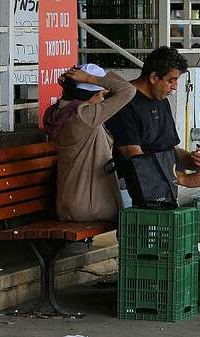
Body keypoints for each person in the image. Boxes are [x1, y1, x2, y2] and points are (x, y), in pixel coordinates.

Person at [105, 47, 200, 207]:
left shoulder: (161, 100)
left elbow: (170, 151)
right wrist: (182, 179)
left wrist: (198, 162)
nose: (175, 87)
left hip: (166, 183)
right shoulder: (125, 102)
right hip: (133, 187)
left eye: (177, 81)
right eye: (171, 80)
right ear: (154, 77)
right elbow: (136, 159)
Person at [43, 64, 136, 222]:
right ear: (90, 96)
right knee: (140, 205)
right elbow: (128, 90)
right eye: (101, 95)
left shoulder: (58, 112)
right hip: (90, 205)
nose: (102, 100)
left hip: (68, 203)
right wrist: (89, 78)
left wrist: (71, 86)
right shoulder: (84, 116)